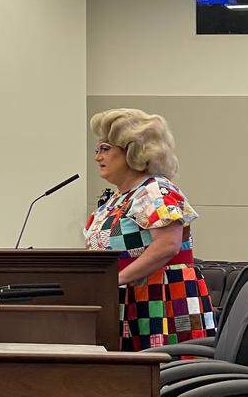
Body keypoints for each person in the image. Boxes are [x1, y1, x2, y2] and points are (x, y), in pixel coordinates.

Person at [84, 108, 216, 351]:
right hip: (131, 298)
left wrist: (114, 280)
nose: (97, 157)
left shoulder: (154, 190)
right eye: (97, 150)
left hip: (160, 300)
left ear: (132, 150)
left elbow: (167, 245)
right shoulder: (120, 196)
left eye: (105, 148)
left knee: (160, 370)